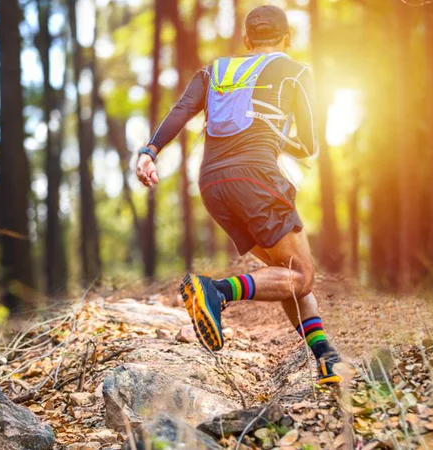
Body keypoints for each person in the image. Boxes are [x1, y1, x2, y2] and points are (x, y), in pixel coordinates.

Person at [135, 5, 341, 385]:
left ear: (246, 40)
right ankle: (216, 290)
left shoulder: (215, 70)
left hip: (212, 183)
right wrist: (283, 139)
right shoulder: (295, 71)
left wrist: (150, 151)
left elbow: (182, 109)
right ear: (286, 38)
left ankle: (327, 360)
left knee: (287, 273)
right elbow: (310, 142)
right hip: (257, 179)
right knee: (303, 277)